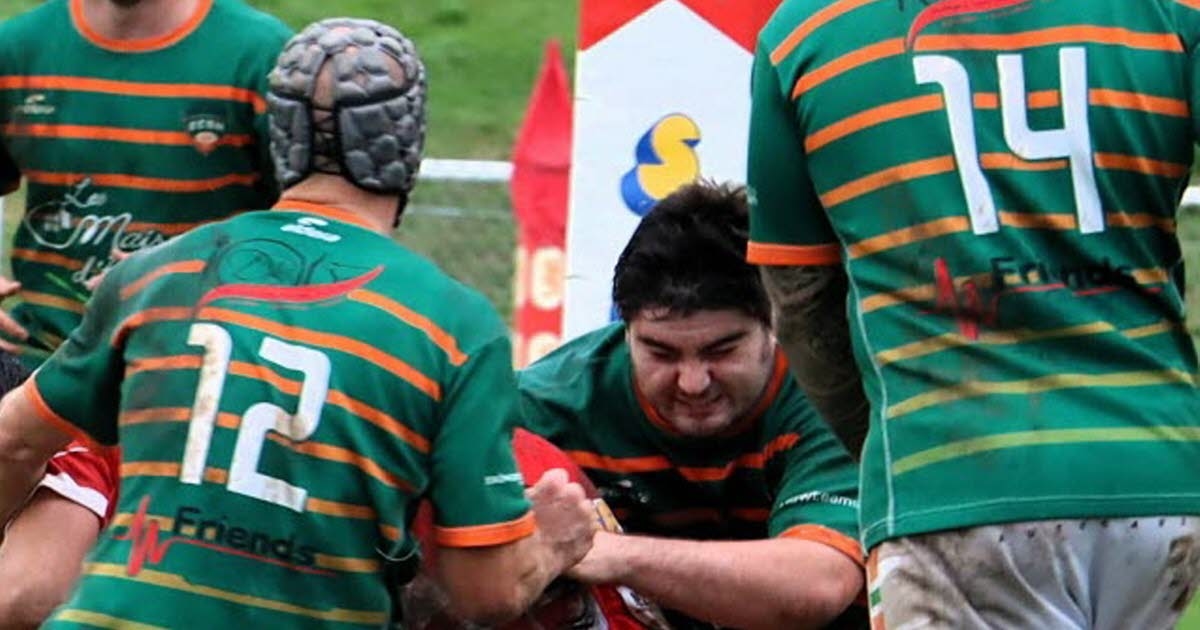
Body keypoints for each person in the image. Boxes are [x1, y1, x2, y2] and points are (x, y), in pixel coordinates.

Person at [0, 18, 596, 627]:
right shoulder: (452, 325)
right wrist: (550, 545)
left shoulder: (154, 272)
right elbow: (484, 595)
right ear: (409, 153)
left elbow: (12, 441)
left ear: (280, 143)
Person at [747, 2, 1200, 628]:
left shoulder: (805, 32)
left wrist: (883, 450)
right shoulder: (1170, 12)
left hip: (950, 479)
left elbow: (800, 299)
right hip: (1157, 482)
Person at [519, 180, 866, 630]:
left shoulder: (835, 394)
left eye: (722, 351)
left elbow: (818, 585)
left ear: (774, 324)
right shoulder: (545, 405)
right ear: (626, 331)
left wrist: (608, 553)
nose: (693, 382)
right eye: (661, 353)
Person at [0, 0, 292, 365]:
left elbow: (315, 225)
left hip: (198, 364)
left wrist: (190, 274)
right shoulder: (17, 48)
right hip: (39, 358)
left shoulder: (262, 57)